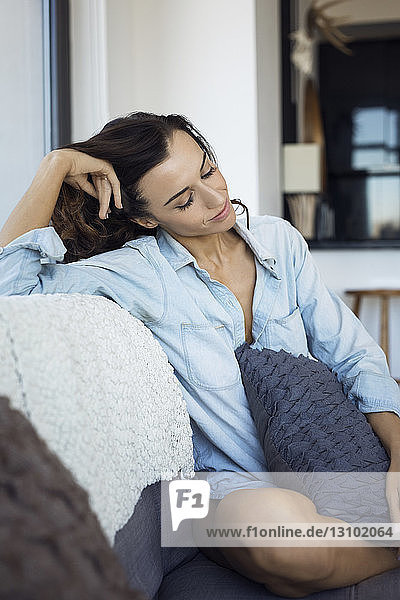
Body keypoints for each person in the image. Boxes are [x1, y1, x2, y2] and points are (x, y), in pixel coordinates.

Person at [0, 111, 399, 597]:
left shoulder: (279, 241)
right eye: (184, 199)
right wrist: (55, 166)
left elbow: (356, 359)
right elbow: (9, 290)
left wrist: (398, 460)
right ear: (148, 218)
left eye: (208, 169)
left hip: (314, 462)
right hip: (209, 489)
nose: (215, 200)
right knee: (286, 545)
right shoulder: (138, 273)